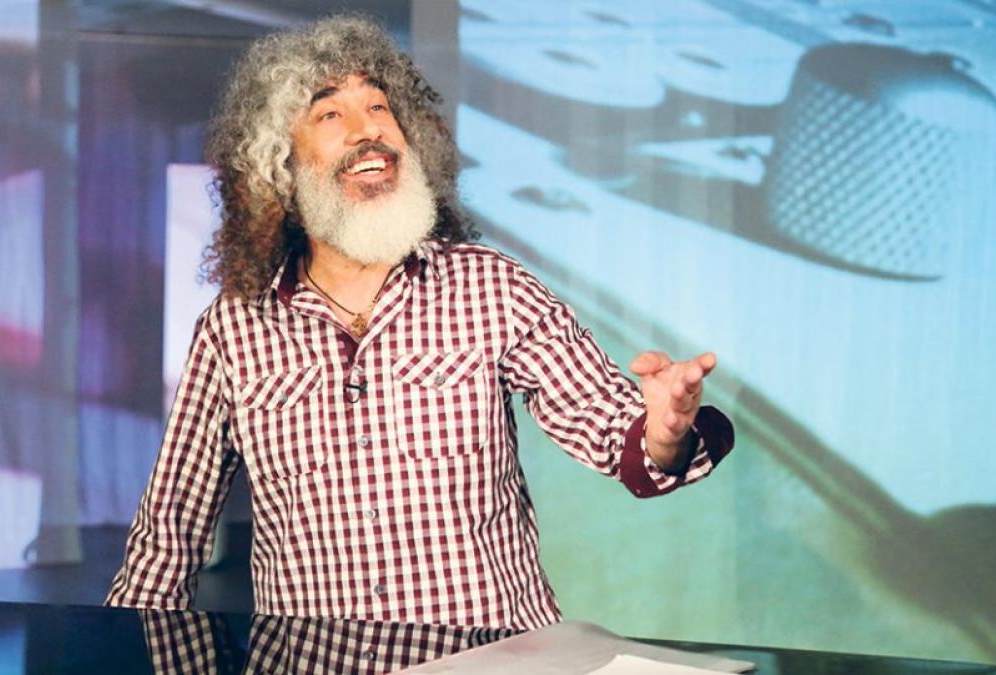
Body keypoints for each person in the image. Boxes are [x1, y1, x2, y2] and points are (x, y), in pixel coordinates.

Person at [107, 15, 733, 631]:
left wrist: (664, 432)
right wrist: (114, 652)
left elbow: (612, 429)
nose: (368, 130)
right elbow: (169, 535)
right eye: (331, 114)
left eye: (379, 107)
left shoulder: (491, 286)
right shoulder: (233, 330)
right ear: (281, 165)